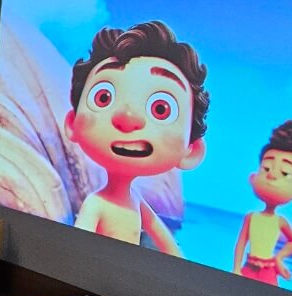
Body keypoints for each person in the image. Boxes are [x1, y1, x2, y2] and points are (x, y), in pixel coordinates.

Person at [64, 20, 210, 255]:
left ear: (191, 151)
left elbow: (169, 246)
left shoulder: (137, 200)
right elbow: (76, 250)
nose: (128, 117)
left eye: (160, 109)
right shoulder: (96, 203)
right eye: (104, 98)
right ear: (72, 124)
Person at [232, 120, 292, 285]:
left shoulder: (280, 222)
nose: (272, 175)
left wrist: (279, 258)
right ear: (253, 178)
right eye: (266, 168)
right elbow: (241, 243)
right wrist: (236, 268)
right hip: (248, 269)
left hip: (269, 272)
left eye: (285, 172)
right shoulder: (251, 217)